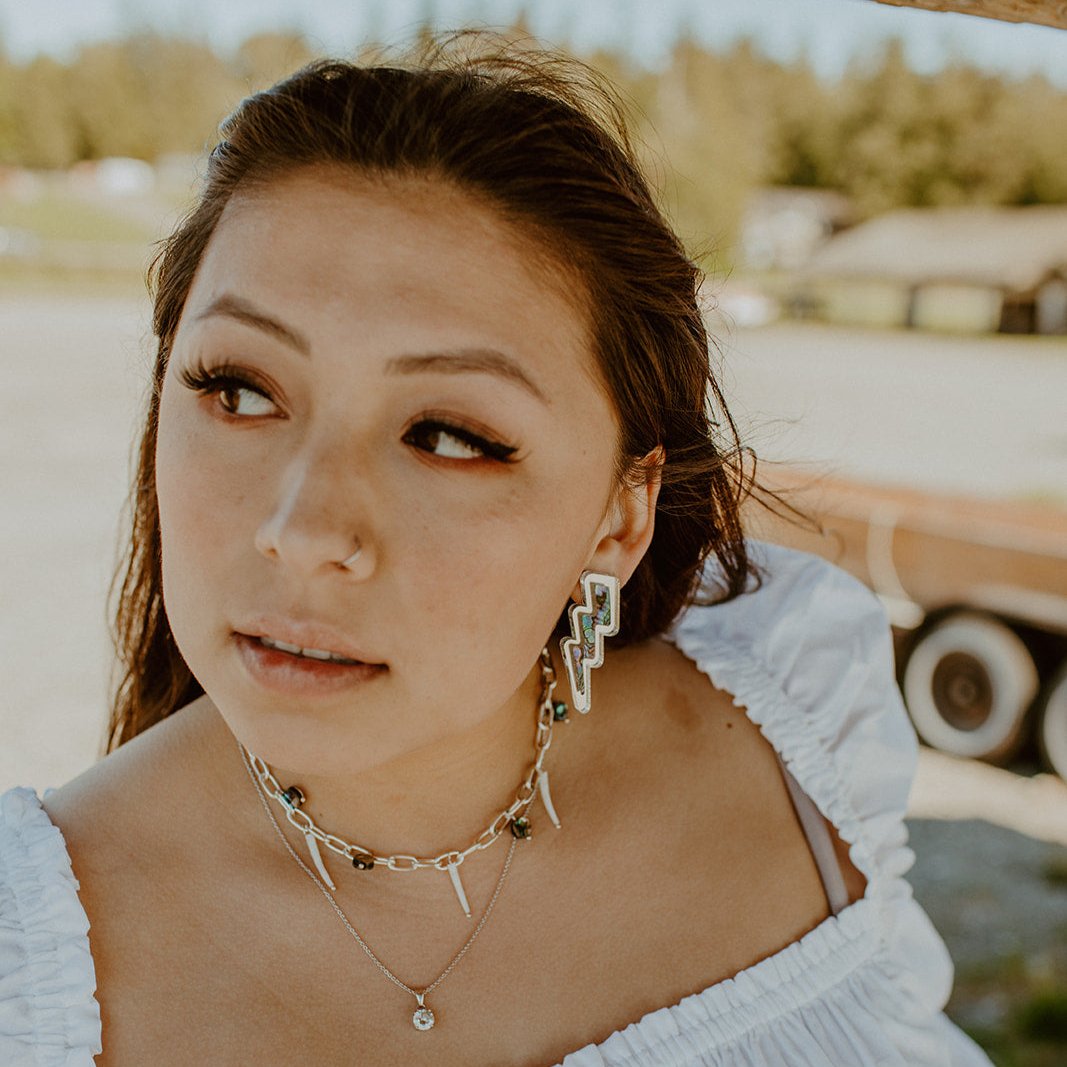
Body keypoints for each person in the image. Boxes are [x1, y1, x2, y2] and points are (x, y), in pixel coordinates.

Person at [0, 33, 993, 1067]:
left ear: (618, 516)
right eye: (238, 389)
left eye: (447, 435)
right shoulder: (29, 976)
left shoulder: (796, 735)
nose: (301, 532)